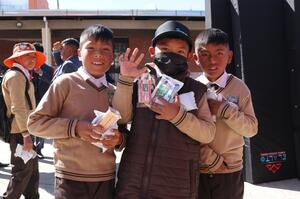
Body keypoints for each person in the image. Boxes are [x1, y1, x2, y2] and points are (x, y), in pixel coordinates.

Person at [113, 20, 216, 198]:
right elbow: (121, 118)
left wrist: (177, 115)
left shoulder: (196, 89)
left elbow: (207, 133)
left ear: (189, 56)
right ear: (153, 52)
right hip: (133, 184)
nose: (172, 55)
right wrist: (125, 80)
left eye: (180, 51)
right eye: (165, 50)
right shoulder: (141, 81)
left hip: (177, 187)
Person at [28, 24, 123, 199]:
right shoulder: (65, 83)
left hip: (105, 178)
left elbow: (124, 132)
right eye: (91, 48)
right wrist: (75, 127)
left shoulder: (114, 91)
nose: (98, 54)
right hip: (69, 177)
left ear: (112, 56)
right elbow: (35, 124)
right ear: (79, 53)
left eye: (105, 49)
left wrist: (119, 139)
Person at [193, 28, 258, 199]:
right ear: (195, 58)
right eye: (205, 54)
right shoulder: (192, 88)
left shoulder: (240, 88)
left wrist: (224, 110)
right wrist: (209, 158)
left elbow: (251, 129)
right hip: (198, 169)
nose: (212, 61)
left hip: (230, 170)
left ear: (229, 57)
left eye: (219, 53)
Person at [1, 42, 46, 199]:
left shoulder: (22, 74)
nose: (33, 59)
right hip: (21, 132)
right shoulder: (16, 76)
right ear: (18, 58)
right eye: (28, 55)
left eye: (34, 56)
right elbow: (18, 108)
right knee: (22, 172)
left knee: (32, 172)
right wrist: (26, 135)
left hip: (25, 130)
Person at [31, 42, 54, 159]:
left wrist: (42, 73)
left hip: (43, 101)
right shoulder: (27, 68)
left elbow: (53, 82)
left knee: (41, 125)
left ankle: (39, 149)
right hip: (30, 101)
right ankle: (30, 149)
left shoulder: (48, 69)